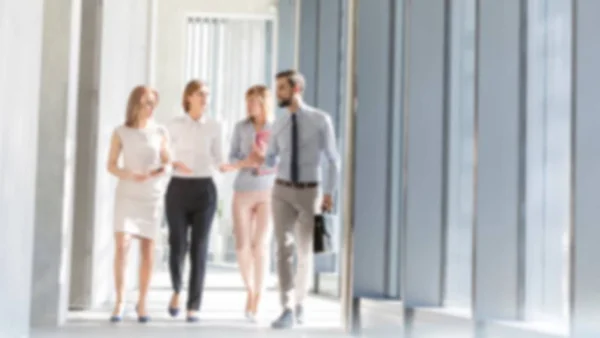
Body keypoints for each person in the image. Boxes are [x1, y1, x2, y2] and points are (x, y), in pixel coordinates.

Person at [252, 70, 340, 329]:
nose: (277, 93)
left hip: (310, 192)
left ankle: (300, 304)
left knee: (304, 252)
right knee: (283, 249)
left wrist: (329, 194)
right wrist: (262, 160)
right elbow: (271, 157)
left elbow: (334, 160)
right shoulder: (277, 123)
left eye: (282, 88)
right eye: (277, 88)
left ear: (297, 88)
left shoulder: (320, 120)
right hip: (281, 191)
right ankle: (286, 307)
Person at [106, 85, 170, 323]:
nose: (151, 108)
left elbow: (168, 161)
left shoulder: (160, 131)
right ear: (135, 105)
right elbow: (110, 165)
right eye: (146, 103)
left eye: (153, 103)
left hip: (151, 196)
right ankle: (120, 300)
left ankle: (142, 302)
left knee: (148, 249)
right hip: (127, 194)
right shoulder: (121, 132)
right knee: (122, 246)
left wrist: (156, 172)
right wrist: (130, 174)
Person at [165, 79, 223, 322]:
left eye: (207, 94)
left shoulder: (215, 126)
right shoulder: (173, 125)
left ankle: (194, 305)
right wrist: (169, 162)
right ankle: (177, 289)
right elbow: (164, 154)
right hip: (178, 188)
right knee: (178, 244)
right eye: (200, 94)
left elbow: (219, 159)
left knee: (199, 247)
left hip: (204, 189)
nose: (205, 98)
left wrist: (240, 163)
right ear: (188, 97)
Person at [219, 85, 276, 321]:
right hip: (242, 190)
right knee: (242, 247)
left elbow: (283, 159)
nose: (250, 105)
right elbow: (231, 158)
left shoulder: (276, 128)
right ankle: (250, 289)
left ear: (264, 103)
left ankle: (258, 297)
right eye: (248, 101)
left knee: (259, 245)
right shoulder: (240, 128)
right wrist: (247, 161)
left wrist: (264, 159)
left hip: (268, 191)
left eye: (254, 101)